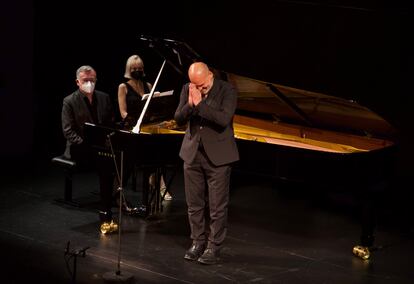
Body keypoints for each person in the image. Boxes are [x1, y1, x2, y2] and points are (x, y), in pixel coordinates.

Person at [174, 62, 239, 264]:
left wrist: (200, 104)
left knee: (217, 207)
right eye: (195, 85)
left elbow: (223, 119)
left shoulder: (227, 90)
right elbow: (178, 118)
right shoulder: (189, 88)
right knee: (194, 204)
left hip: (218, 156)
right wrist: (190, 104)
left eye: (202, 86)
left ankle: (213, 247)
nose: (198, 89)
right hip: (192, 154)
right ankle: (197, 242)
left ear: (210, 75)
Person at [61, 65, 118, 233]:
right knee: (106, 163)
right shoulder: (69, 101)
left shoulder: (104, 97)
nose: (89, 83)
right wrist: (86, 144)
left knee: (116, 159)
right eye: (85, 81)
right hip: (79, 147)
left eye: (92, 80)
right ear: (77, 82)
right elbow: (68, 131)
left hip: (100, 144)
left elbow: (110, 123)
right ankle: (106, 210)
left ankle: (111, 200)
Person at [117, 55, 172, 214]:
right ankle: (154, 183)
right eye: (134, 69)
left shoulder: (148, 85)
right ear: (129, 70)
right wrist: (135, 122)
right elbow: (123, 112)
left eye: (140, 68)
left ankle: (157, 182)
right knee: (141, 152)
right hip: (131, 129)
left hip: (147, 128)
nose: (137, 71)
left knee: (158, 149)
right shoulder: (123, 87)